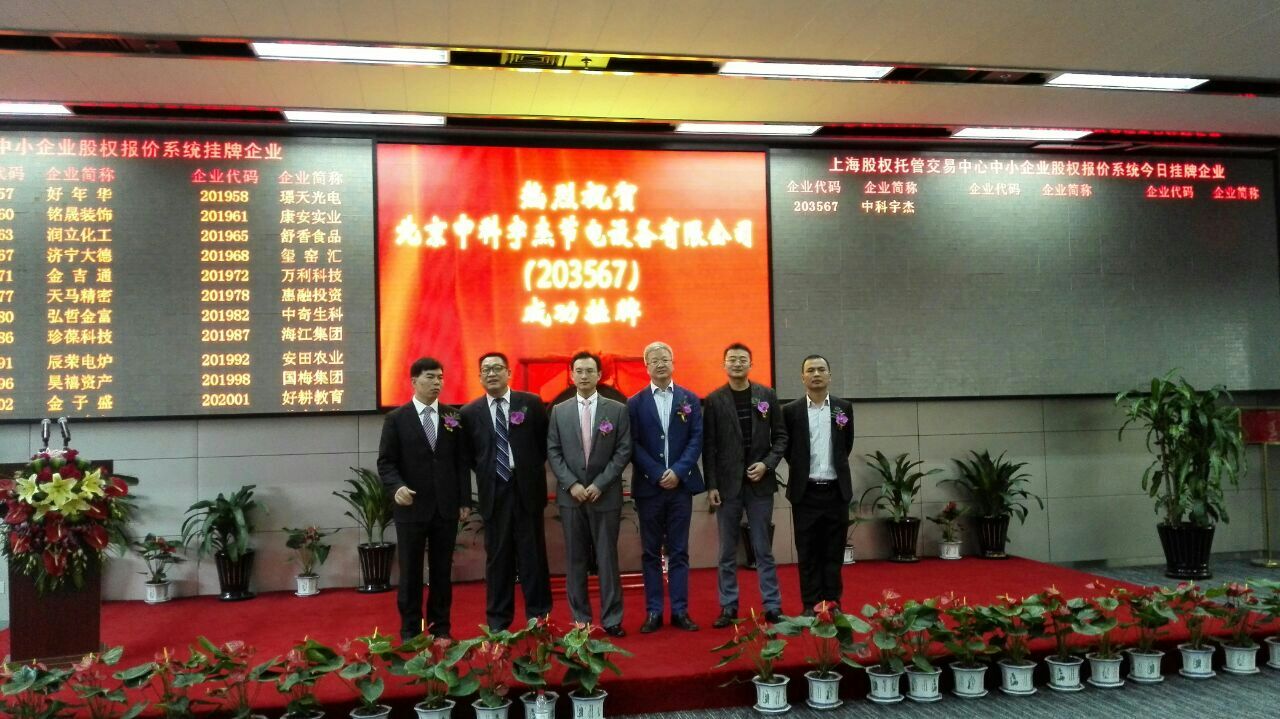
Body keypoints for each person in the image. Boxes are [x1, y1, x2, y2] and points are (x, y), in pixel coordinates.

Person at [377, 357, 470, 642]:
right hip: (412, 507)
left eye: (440, 377)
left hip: (445, 507)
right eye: (430, 377)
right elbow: (386, 463)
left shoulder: (453, 417)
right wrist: (397, 487)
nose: (437, 383)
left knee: (442, 571)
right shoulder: (396, 419)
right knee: (411, 572)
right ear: (414, 381)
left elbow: (461, 463)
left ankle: (440, 627)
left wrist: (464, 500)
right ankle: (411, 630)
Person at [460, 352, 553, 630]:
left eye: (497, 368)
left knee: (533, 556)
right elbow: (469, 457)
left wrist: (525, 469)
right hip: (494, 491)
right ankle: (498, 622)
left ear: (509, 373)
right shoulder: (469, 413)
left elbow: (544, 444)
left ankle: (539, 617)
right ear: (479, 377)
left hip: (527, 490)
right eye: (486, 369)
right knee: (498, 558)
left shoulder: (531, 403)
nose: (492, 373)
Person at [547, 351, 632, 637]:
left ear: (599, 375)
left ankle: (612, 619)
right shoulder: (559, 411)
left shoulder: (617, 409)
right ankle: (580, 620)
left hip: (604, 495)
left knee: (608, 559)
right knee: (575, 560)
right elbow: (553, 451)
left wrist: (600, 484)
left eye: (589, 371)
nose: (584, 376)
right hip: (571, 496)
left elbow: (623, 450)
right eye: (579, 371)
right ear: (571, 375)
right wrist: (572, 484)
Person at [703, 343, 788, 627]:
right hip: (727, 487)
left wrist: (767, 464)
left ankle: (772, 606)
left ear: (751, 364)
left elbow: (781, 437)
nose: (737, 364)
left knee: (763, 549)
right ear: (724, 365)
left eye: (742, 359)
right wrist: (712, 485)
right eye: (732, 359)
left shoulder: (767, 395)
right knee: (726, 551)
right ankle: (728, 607)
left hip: (759, 484)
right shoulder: (714, 400)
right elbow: (709, 446)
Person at [628, 341, 704, 633]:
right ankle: (654, 612)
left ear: (673, 363)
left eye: (665, 359)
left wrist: (679, 471)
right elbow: (632, 444)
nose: (660, 364)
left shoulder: (690, 398)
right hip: (650, 487)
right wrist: (658, 472)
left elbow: (696, 439)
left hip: (680, 487)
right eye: (654, 360)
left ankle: (681, 611)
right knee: (650, 552)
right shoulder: (635, 403)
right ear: (646, 367)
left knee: (679, 551)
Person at [782, 354, 854, 611]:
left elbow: (846, 445)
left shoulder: (843, 408)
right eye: (810, 370)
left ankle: (832, 602)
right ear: (802, 377)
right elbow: (788, 450)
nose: (816, 374)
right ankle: (810, 604)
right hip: (806, 493)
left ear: (829, 376)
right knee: (808, 553)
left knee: (833, 552)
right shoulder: (790, 411)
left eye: (821, 369)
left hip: (836, 491)